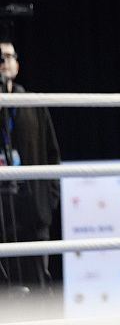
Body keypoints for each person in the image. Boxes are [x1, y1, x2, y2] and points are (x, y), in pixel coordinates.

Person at [0, 39, 61, 295]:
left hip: (33, 211)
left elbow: (52, 154)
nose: (4, 62)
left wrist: (48, 202)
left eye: (9, 56)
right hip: (2, 210)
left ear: (17, 64)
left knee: (38, 289)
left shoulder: (34, 104)